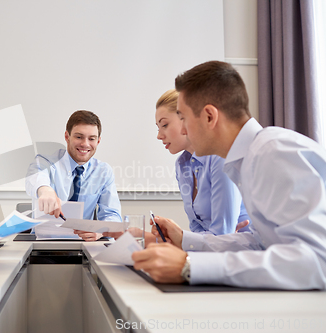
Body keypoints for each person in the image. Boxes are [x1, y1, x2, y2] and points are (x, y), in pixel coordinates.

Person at [132, 61, 326, 290]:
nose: (183, 130)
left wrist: (190, 266)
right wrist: (185, 240)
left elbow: (318, 261)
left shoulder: (273, 153)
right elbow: (261, 243)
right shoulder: (249, 159)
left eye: (183, 118)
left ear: (209, 117)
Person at [104, 90, 250, 245]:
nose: (159, 135)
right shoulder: (182, 165)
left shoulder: (220, 158)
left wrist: (154, 239)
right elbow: (198, 230)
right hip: (210, 255)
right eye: (158, 127)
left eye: (165, 125)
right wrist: (168, 238)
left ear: (186, 119)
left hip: (243, 257)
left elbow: (222, 235)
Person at [25, 110, 122, 241]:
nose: (85, 144)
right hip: (43, 246)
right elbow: (35, 176)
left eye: (91, 139)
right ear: (67, 136)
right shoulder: (46, 161)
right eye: (79, 137)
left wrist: (101, 231)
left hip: (83, 245)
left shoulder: (103, 171)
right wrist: (45, 190)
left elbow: (113, 215)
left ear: (98, 141)